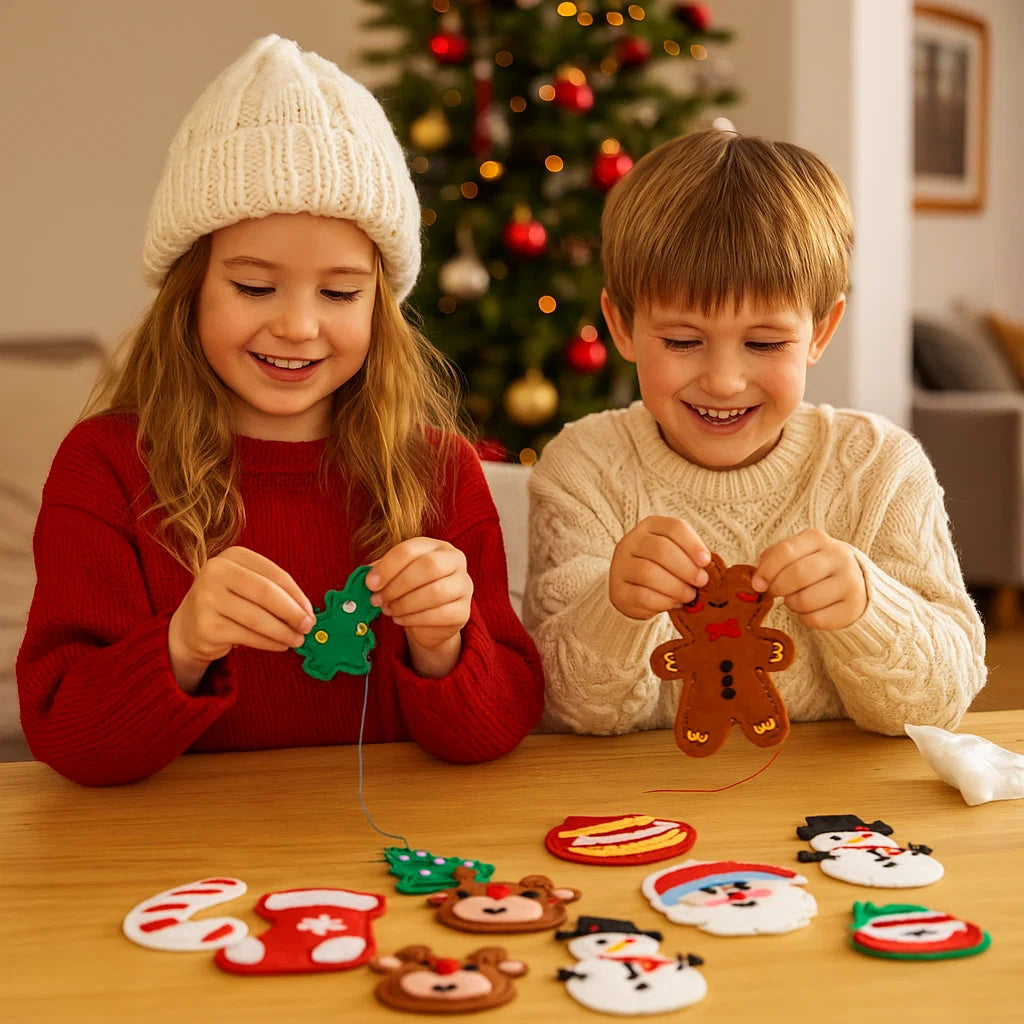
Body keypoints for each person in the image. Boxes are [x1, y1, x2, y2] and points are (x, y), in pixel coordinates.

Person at [17, 35, 543, 786]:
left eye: (338, 293)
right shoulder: (105, 468)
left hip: (379, 863)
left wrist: (443, 646)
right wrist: (182, 646)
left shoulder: (437, 470)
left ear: (380, 305)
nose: (298, 326)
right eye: (256, 287)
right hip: (174, 870)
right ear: (189, 290)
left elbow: (495, 730)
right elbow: (64, 738)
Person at [523, 129, 986, 739]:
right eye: (683, 341)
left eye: (764, 343)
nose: (722, 380)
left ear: (820, 332)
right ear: (623, 326)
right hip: (646, 809)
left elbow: (939, 706)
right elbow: (566, 711)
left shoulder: (878, 467)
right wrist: (616, 610)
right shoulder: (582, 468)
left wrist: (870, 608)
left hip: (836, 815)